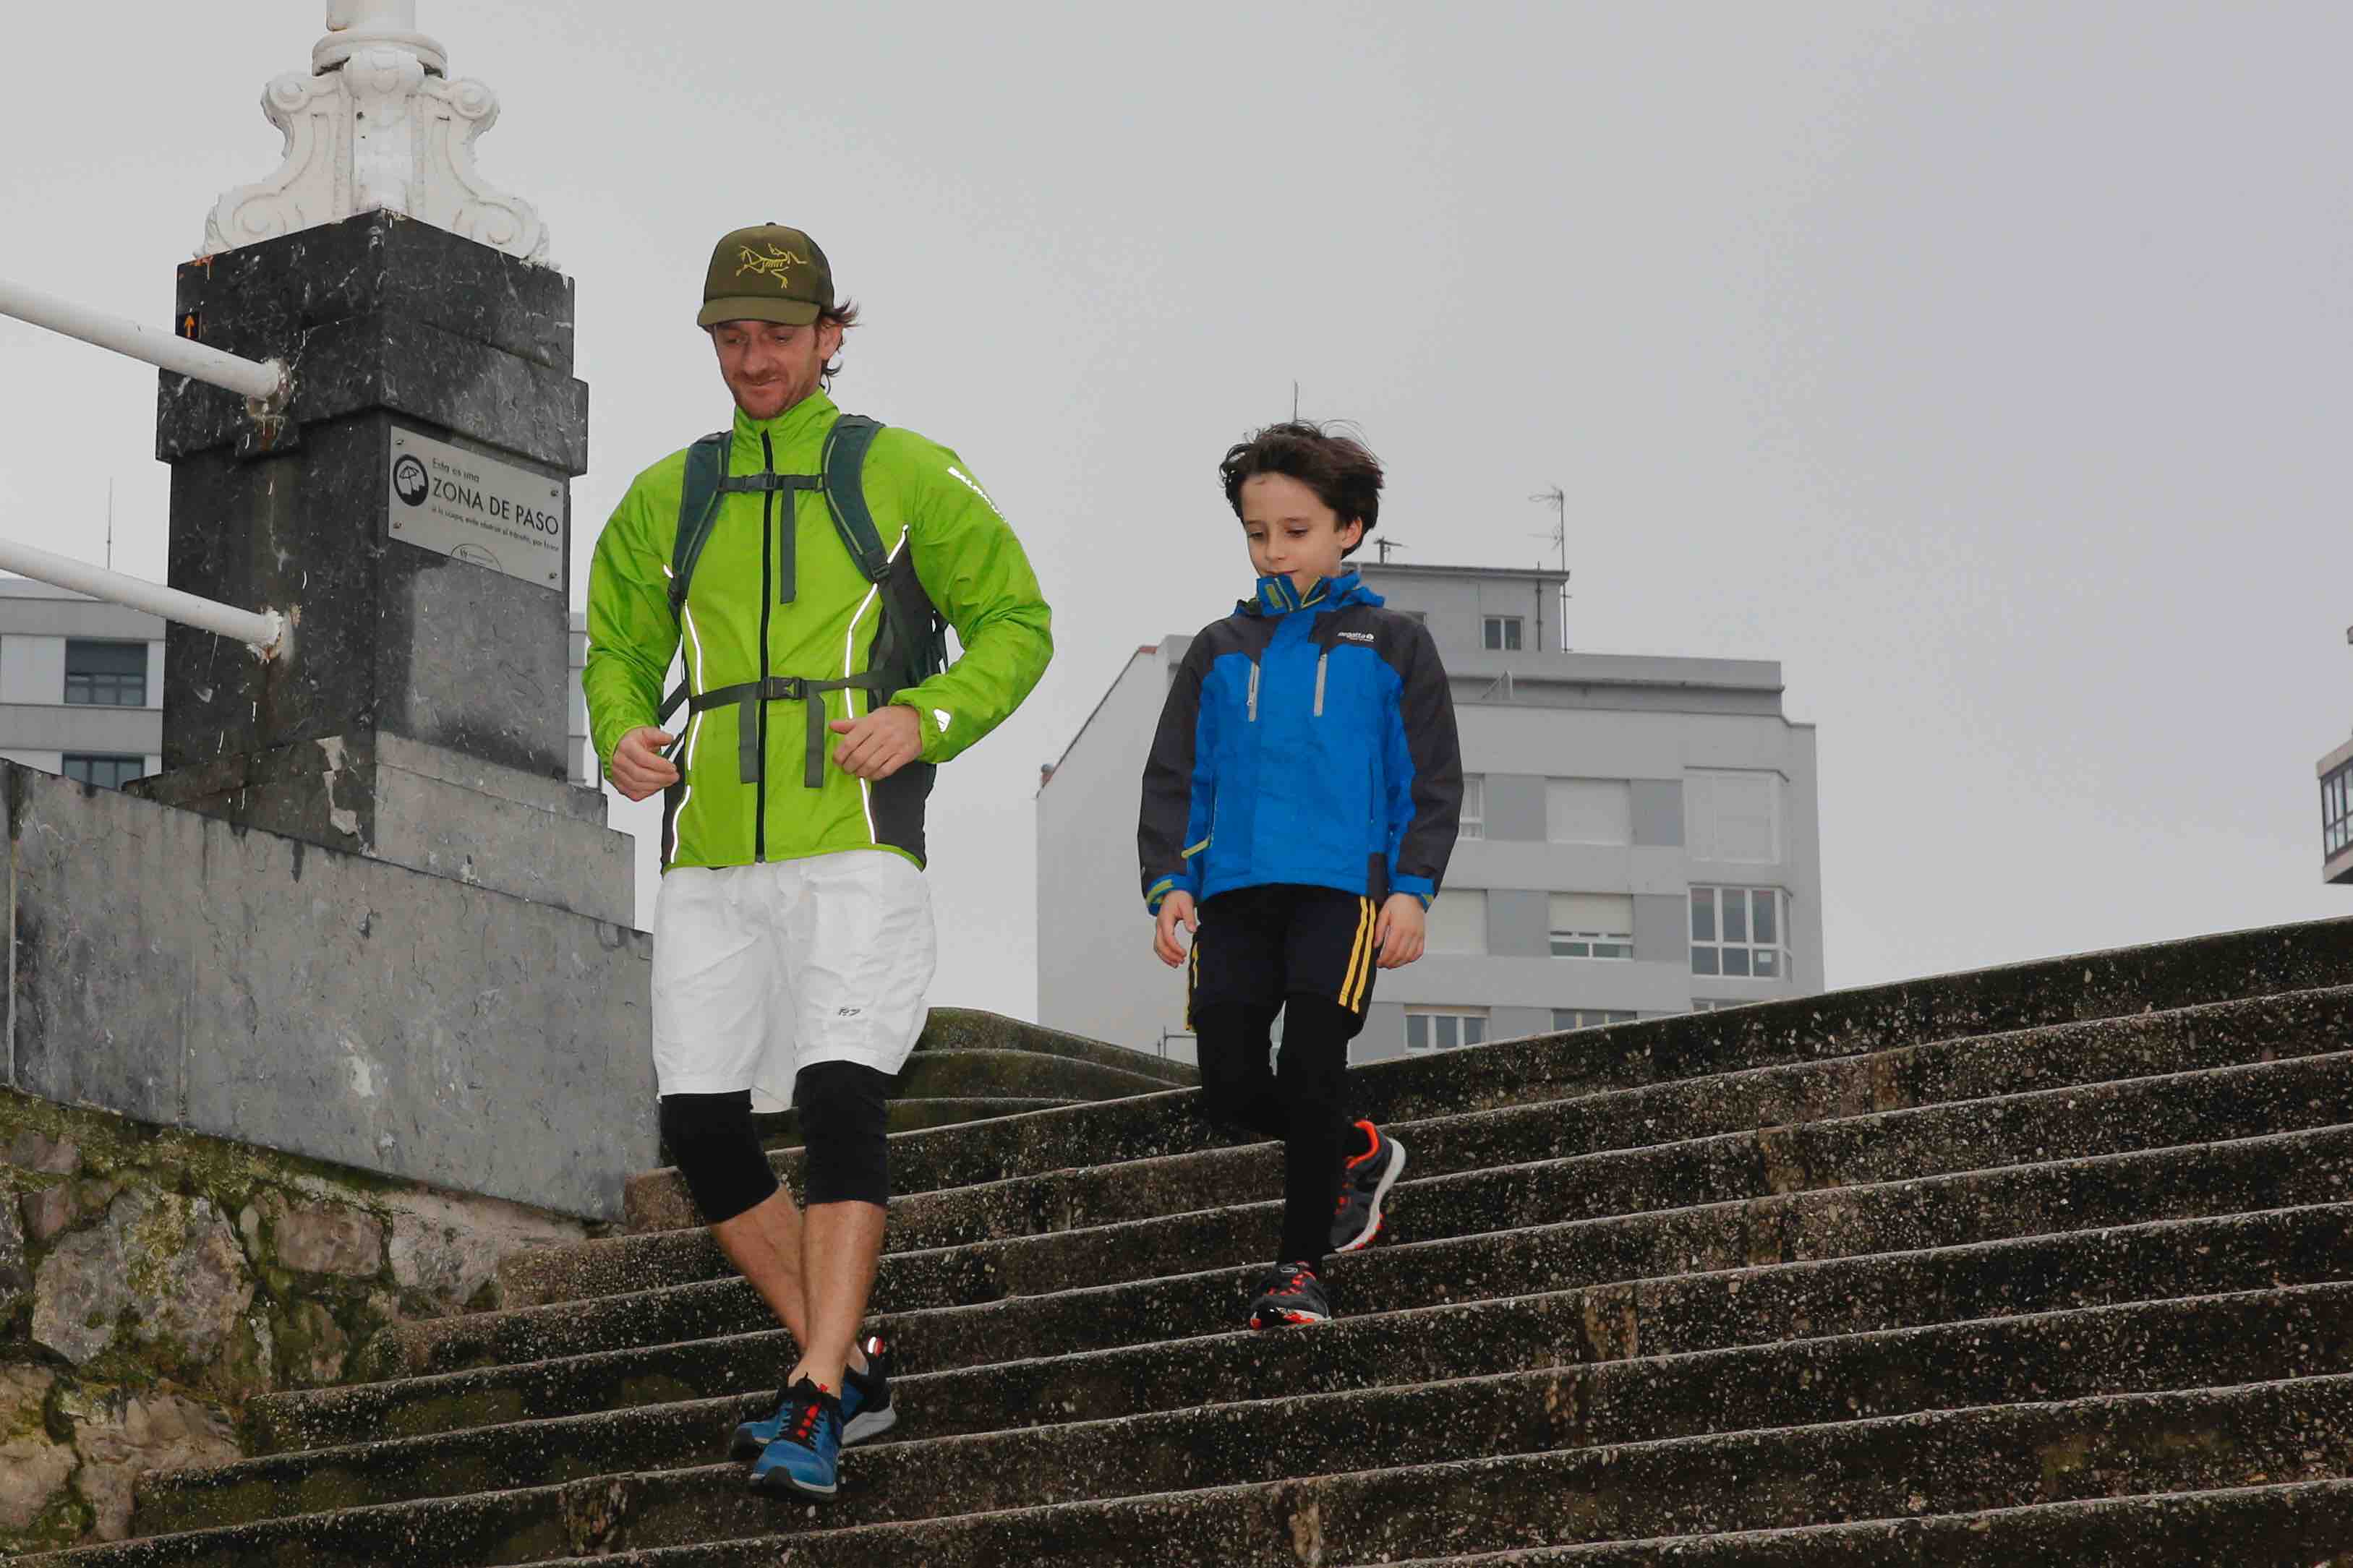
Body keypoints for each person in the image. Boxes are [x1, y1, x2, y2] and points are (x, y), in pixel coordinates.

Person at [584, 223, 1053, 1498]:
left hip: (855, 838)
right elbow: (617, 641)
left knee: (841, 1095)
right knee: (697, 1121)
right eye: (730, 335)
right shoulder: (663, 492)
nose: (752, 357)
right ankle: (847, 1359)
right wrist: (616, 726)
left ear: (830, 337)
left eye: (777, 334)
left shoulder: (902, 470)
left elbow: (1015, 620)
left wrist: (927, 713)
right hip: (707, 845)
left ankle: (815, 1394)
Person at [1137, 421, 1461, 1330]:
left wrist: (1411, 888)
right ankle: (1356, 1152)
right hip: (1233, 894)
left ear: (1349, 528)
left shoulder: (1393, 643)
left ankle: (1298, 1269)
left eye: (1296, 529)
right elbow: (1176, 780)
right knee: (1230, 1083)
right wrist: (1170, 887)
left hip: (1341, 892)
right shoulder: (1216, 649)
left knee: (1312, 1063)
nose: (1274, 549)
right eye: (1256, 531)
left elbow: (1428, 781)